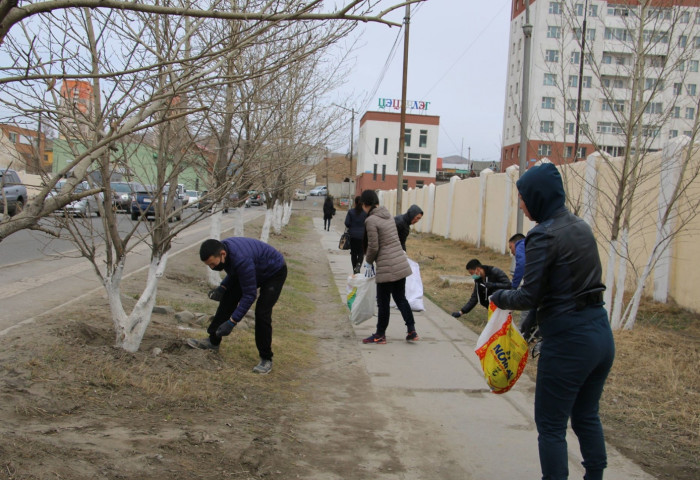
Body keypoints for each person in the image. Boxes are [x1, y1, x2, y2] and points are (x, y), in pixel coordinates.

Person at [490, 162, 615, 480]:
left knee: (550, 427)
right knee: (586, 415)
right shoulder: (580, 227)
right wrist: (526, 330)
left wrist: (496, 297)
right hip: (600, 335)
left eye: (523, 197)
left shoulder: (542, 235)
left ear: (538, 197)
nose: (521, 204)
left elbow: (527, 296)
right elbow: (556, 290)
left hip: (569, 343)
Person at [187, 237, 287, 375]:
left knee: (262, 313)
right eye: (208, 265)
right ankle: (213, 341)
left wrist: (232, 322)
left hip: (273, 273)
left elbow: (249, 295)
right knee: (227, 299)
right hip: (254, 268)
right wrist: (223, 287)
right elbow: (235, 271)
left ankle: (266, 358)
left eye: (212, 264)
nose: (212, 267)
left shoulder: (241, 258)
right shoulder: (224, 251)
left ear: (222, 254)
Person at [360, 189, 419, 344]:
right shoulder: (388, 216)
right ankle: (412, 330)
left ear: (365, 204)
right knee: (401, 298)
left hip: (387, 266)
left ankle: (380, 334)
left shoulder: (371, 220)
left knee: (383, 301)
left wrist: (368, 262)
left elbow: (373, 246)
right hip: (400, 262)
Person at [344, 195, 367, 274]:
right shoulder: (365, 213)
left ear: (355, 203)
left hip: (353, 236)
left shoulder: (351, 212)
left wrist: (352, 226)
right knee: (361, 252)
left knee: (353, 253)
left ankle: (354, 270)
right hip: (362, 236)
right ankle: (359, 265)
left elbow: (347, 223)